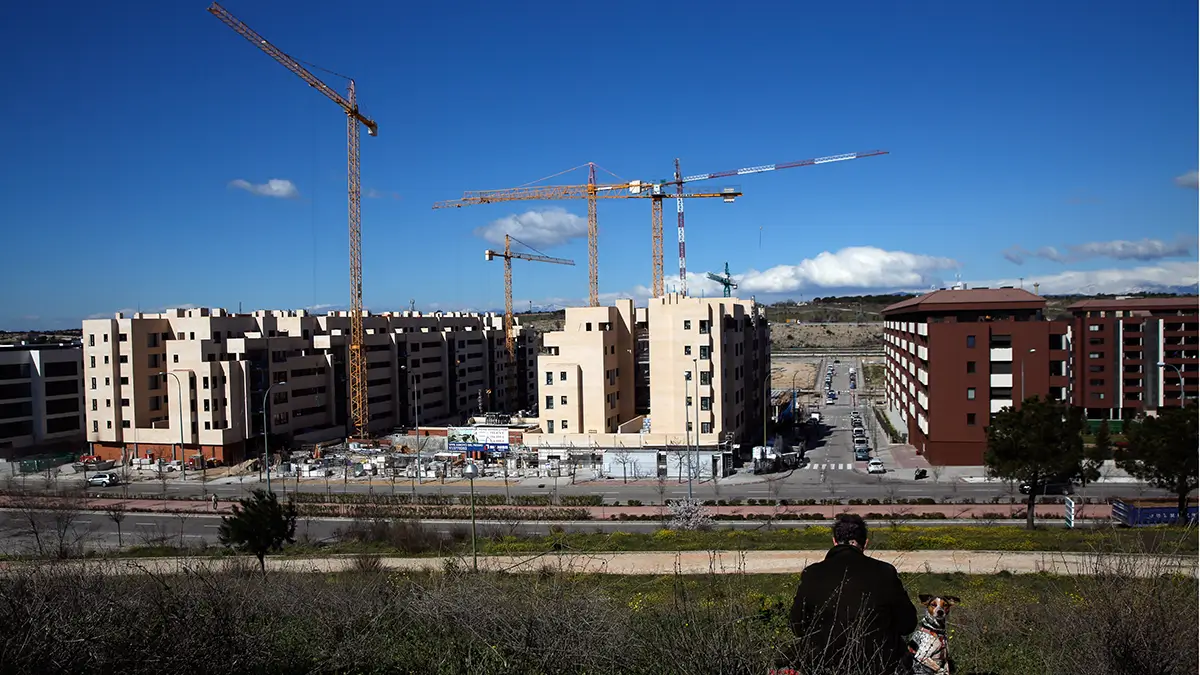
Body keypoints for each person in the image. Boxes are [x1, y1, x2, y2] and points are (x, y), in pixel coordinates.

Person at [789, 514, 917, 674]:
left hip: (825, 665)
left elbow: (797, 627)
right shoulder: (885, 572)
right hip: (877, 666)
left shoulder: (812, 573)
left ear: (834, 541)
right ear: (865, 544)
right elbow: (908, 624)